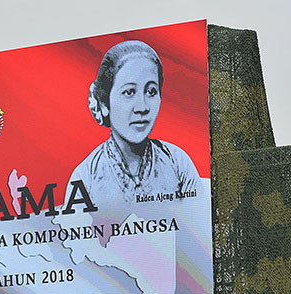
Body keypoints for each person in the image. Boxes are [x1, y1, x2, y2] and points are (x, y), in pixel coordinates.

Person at [74, 39, 200, 203]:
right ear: (105, 103)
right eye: (129, 92)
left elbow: (200, 216)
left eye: (151, 91)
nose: (142, 107)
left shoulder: (177, 163)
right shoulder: (86, 177)